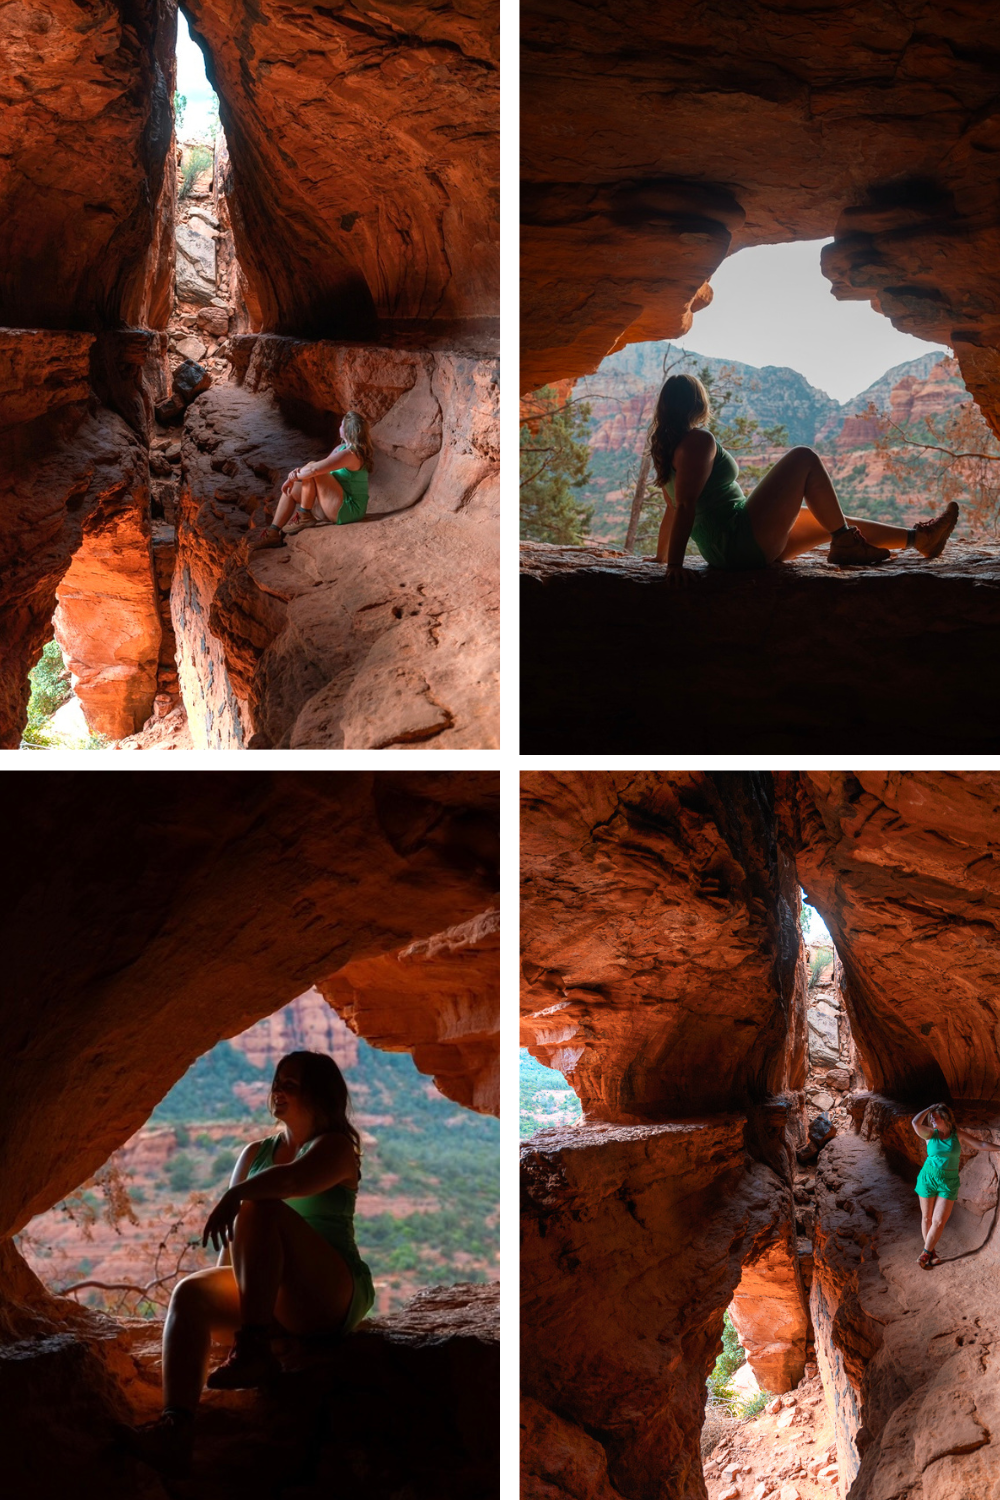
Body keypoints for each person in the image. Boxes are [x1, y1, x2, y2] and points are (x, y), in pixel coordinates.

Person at [124, 1050, 374, 1477]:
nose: (278, 1090)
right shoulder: (256, 1153)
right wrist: (221, 1296)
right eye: (277, 1081)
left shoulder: (335, 1148)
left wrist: (233, 1195)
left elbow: (291, 1181)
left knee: (262, 1204)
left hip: (327, 1292)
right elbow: (235, 1243)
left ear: (318, 1094)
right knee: (190, 1293)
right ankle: (177, 1426)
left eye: (290, 1084)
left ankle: (255, 1345)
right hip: (270, 1297)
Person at [647, 373, 959, 585]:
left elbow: (672, 508)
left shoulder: (670, 449)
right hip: (737, 540)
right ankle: (846, 543)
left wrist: (661, 559)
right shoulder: (698, 441)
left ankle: (919, 540)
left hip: (730, 548)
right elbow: (684, 506)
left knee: (830, 520)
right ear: (698, 403)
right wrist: (674, 565)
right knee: (803, 456)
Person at [249, 410, 374, 551]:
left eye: (341, 425)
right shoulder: (341, 449)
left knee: (313, 470)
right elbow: (317, 467)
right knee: (292, 489)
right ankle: (273, 532)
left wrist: (293, 476)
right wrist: (295, 477)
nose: (339, 428)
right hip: (333, 504)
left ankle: (305, 515)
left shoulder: (351, 454)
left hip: (349, 510)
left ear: (347, 430)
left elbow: (315, 470)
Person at [911, 1102, 1000, 1268]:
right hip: (928, 1178)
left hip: (949, 1181)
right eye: (931, 1117)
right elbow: (915, 1123)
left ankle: (924, 1254)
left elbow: (980, 1144)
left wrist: (999, 1148)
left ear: (945, 1118)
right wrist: (929, 1108)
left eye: (935, 1117)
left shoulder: (957, 1135)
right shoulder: (930, 1134)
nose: (932, 1119)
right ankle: (931, 1252)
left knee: (938, 1221)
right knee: (927, 1217)